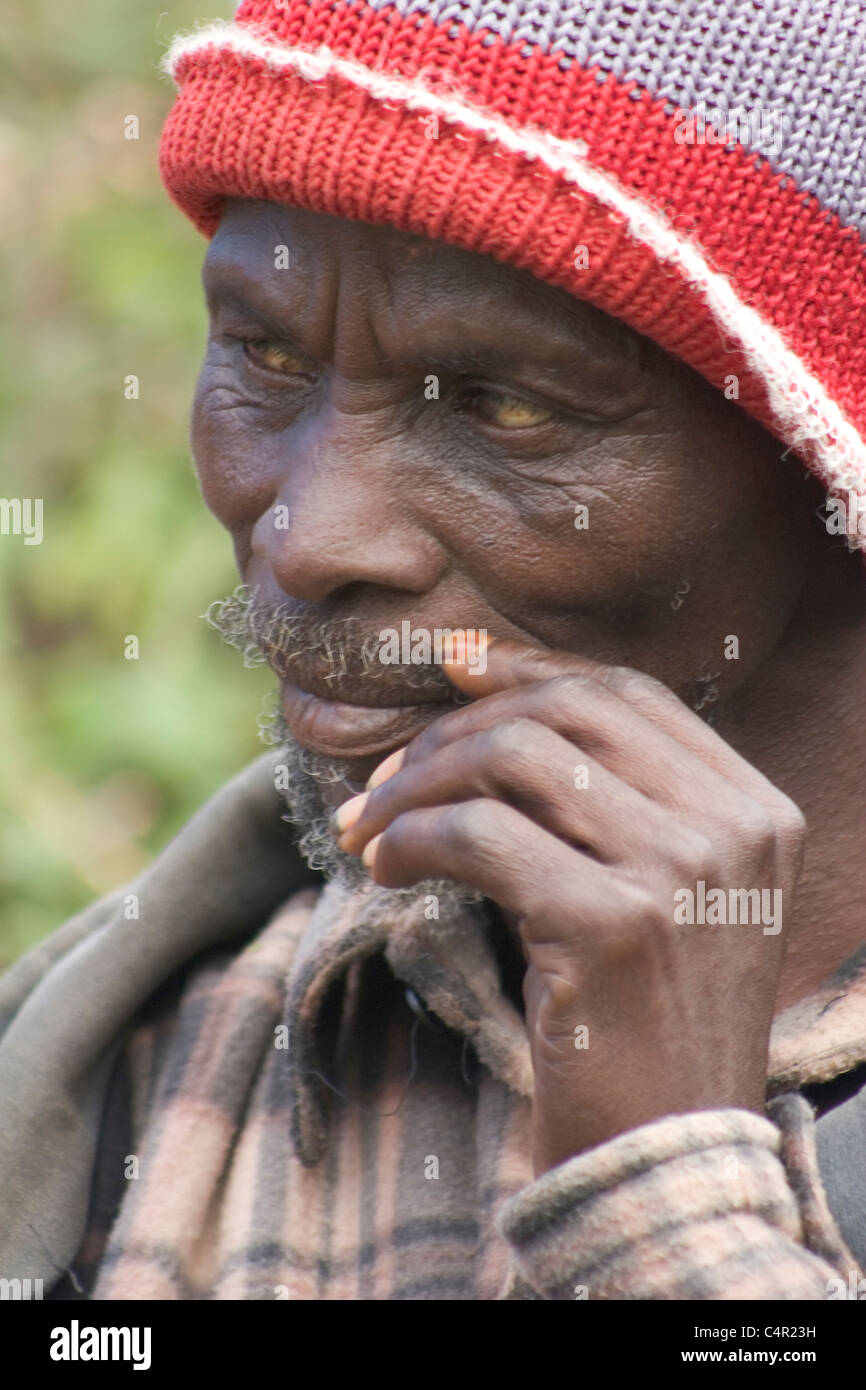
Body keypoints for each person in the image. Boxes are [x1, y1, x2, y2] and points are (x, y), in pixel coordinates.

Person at [2, 0, 866, 1301]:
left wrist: (659, 1189)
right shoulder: (107, 1075)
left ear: (827, 466)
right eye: (265, 354)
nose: (308, 537)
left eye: (502, 403)